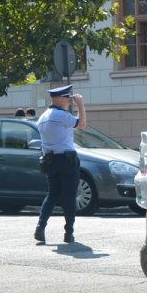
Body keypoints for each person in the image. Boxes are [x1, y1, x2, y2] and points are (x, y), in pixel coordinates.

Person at [34, 84, 86, 244]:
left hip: (50, 160)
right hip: (67, 160)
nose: (69, 102)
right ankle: (68, 233)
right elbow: (82, 125)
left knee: (52, 195)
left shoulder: (42, 117)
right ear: (59, 99)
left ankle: (40, 227)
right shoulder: (62, 115)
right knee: (70, 196)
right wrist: (80, 105)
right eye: (67, 99)